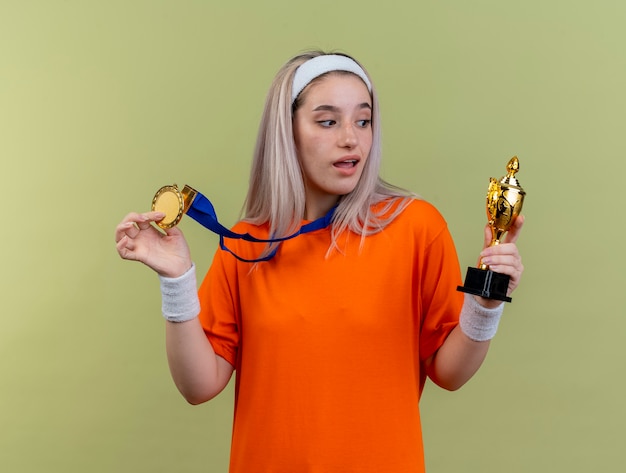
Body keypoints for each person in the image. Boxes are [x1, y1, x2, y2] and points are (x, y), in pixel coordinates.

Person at [115, 50, 524, 472]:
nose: (351, 138)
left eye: (362, 120)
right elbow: (198, 386)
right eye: (328, 121)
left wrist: (484, 303)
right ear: (286, 132)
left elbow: (450, 373)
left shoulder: (416, 227)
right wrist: (177, 281)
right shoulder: (248, 244)